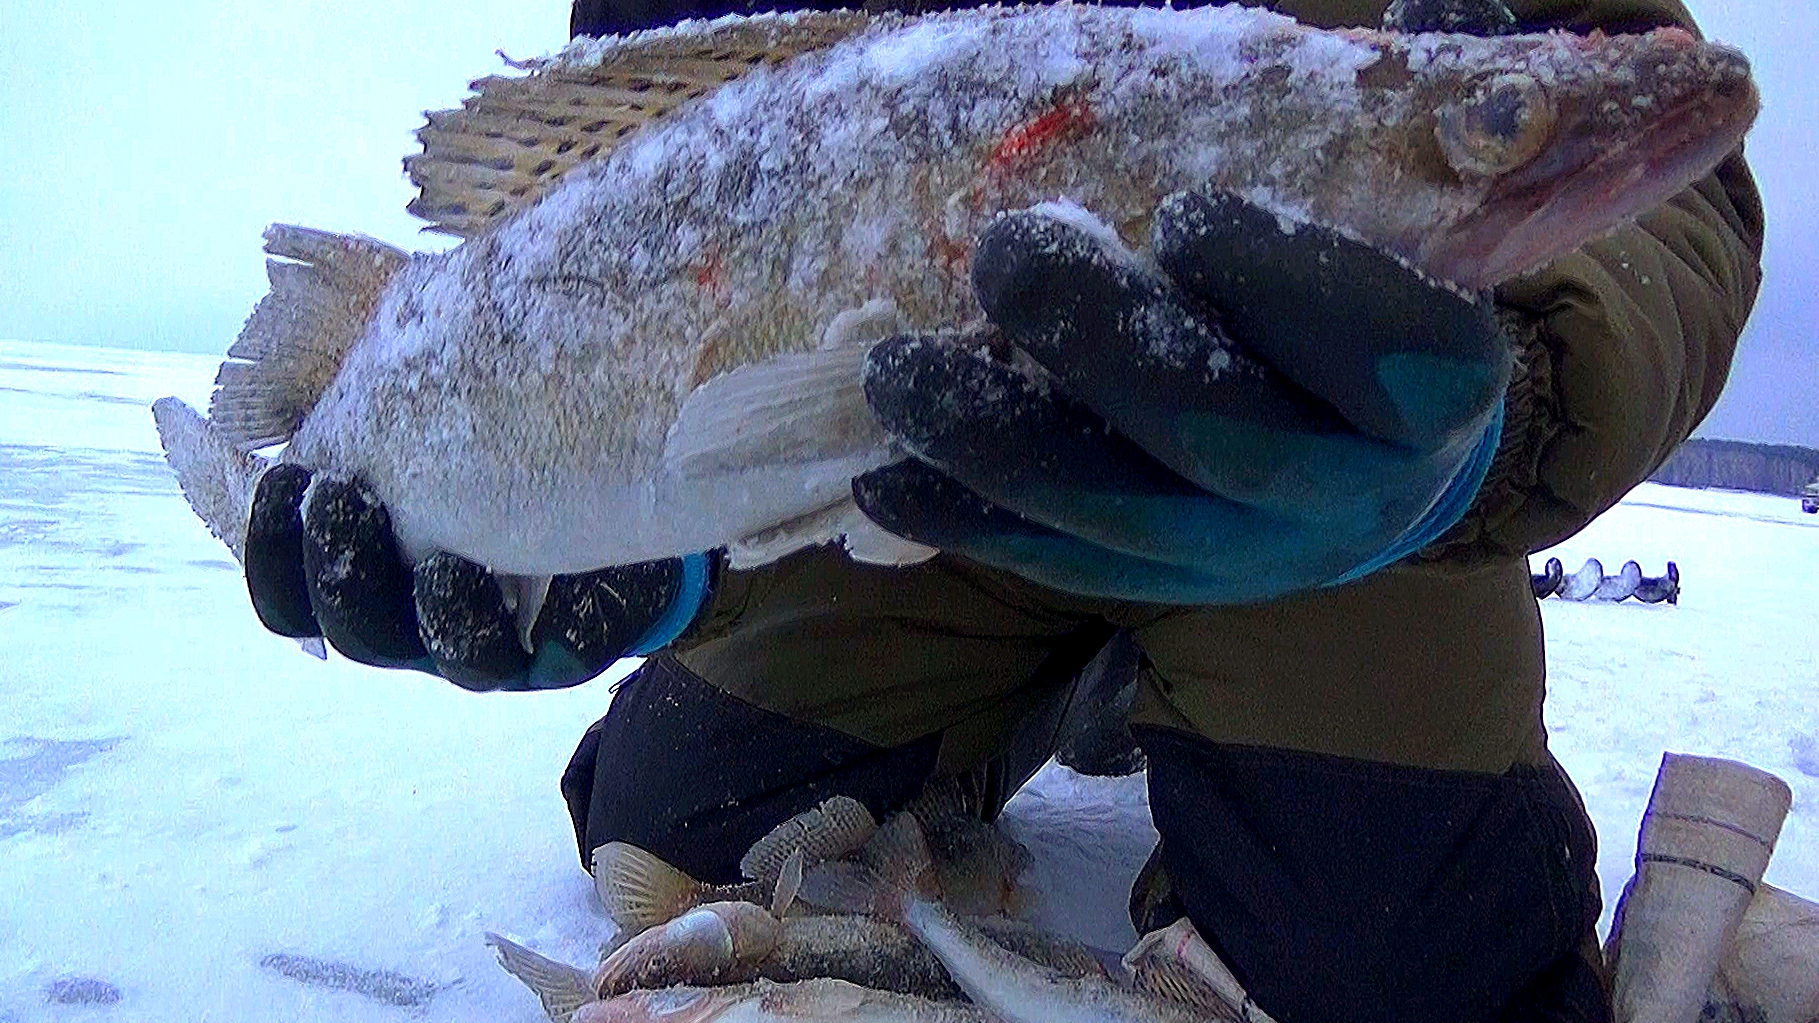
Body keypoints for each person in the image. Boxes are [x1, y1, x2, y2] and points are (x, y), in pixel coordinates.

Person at [238, 0, 1764, 1019]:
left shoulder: (1281, 92)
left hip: (1322, 495)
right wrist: (652, 552)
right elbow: (621, 186)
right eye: (1494, 123)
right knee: (680, 829)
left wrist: (1502, 414)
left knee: (1401, 961)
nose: (1505, 136)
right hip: (918, 497)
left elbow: (1675, 171)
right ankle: (1072, 680)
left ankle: (1178, 660)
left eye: (1489, 121)